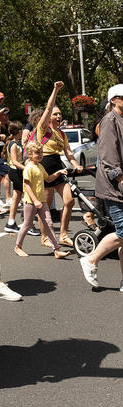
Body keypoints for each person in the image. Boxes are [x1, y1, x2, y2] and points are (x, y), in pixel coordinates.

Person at [80, 83, 123, 290]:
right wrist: (121, 180)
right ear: (114, 100)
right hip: (115, 187)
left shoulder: (121, 120)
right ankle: (91, 260)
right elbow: (108, 158)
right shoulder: (109, 121)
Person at [33, 81, 82, 246]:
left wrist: (76, 164)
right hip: (45, 165)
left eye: (60, 114)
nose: (58, 117)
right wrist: (55, 89)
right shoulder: (42, 129)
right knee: (45, 206)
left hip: (58, 165)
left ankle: (63, 234)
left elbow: (68, 152)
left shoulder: (62, 133)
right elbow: (48, 108)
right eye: (55, 114)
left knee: (69, 201)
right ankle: (44, 237)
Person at [14, 141, 72, 258]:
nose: (40, 155)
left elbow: (49, 179)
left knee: (49, 223)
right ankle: (18, 247)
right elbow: (27, 186)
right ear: (30, 154)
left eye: (41, 152)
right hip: (31, 201)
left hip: (42, 200)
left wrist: (58, 172)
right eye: (37, 153)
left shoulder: (40, 166)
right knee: (27, 224)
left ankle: (56, 250)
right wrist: (35, 200)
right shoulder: (28, 168)